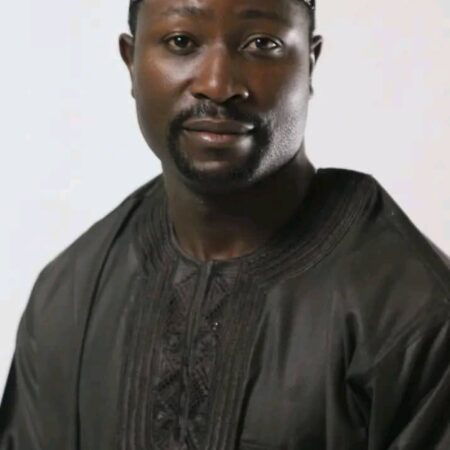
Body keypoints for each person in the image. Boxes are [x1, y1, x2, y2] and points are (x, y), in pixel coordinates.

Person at [1, 0, 449, 448]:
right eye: (181, 42)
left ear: (309, 63)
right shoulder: (69, 297)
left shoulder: (412, 314)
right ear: (131, 61)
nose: (217, 85)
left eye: (262, 44)